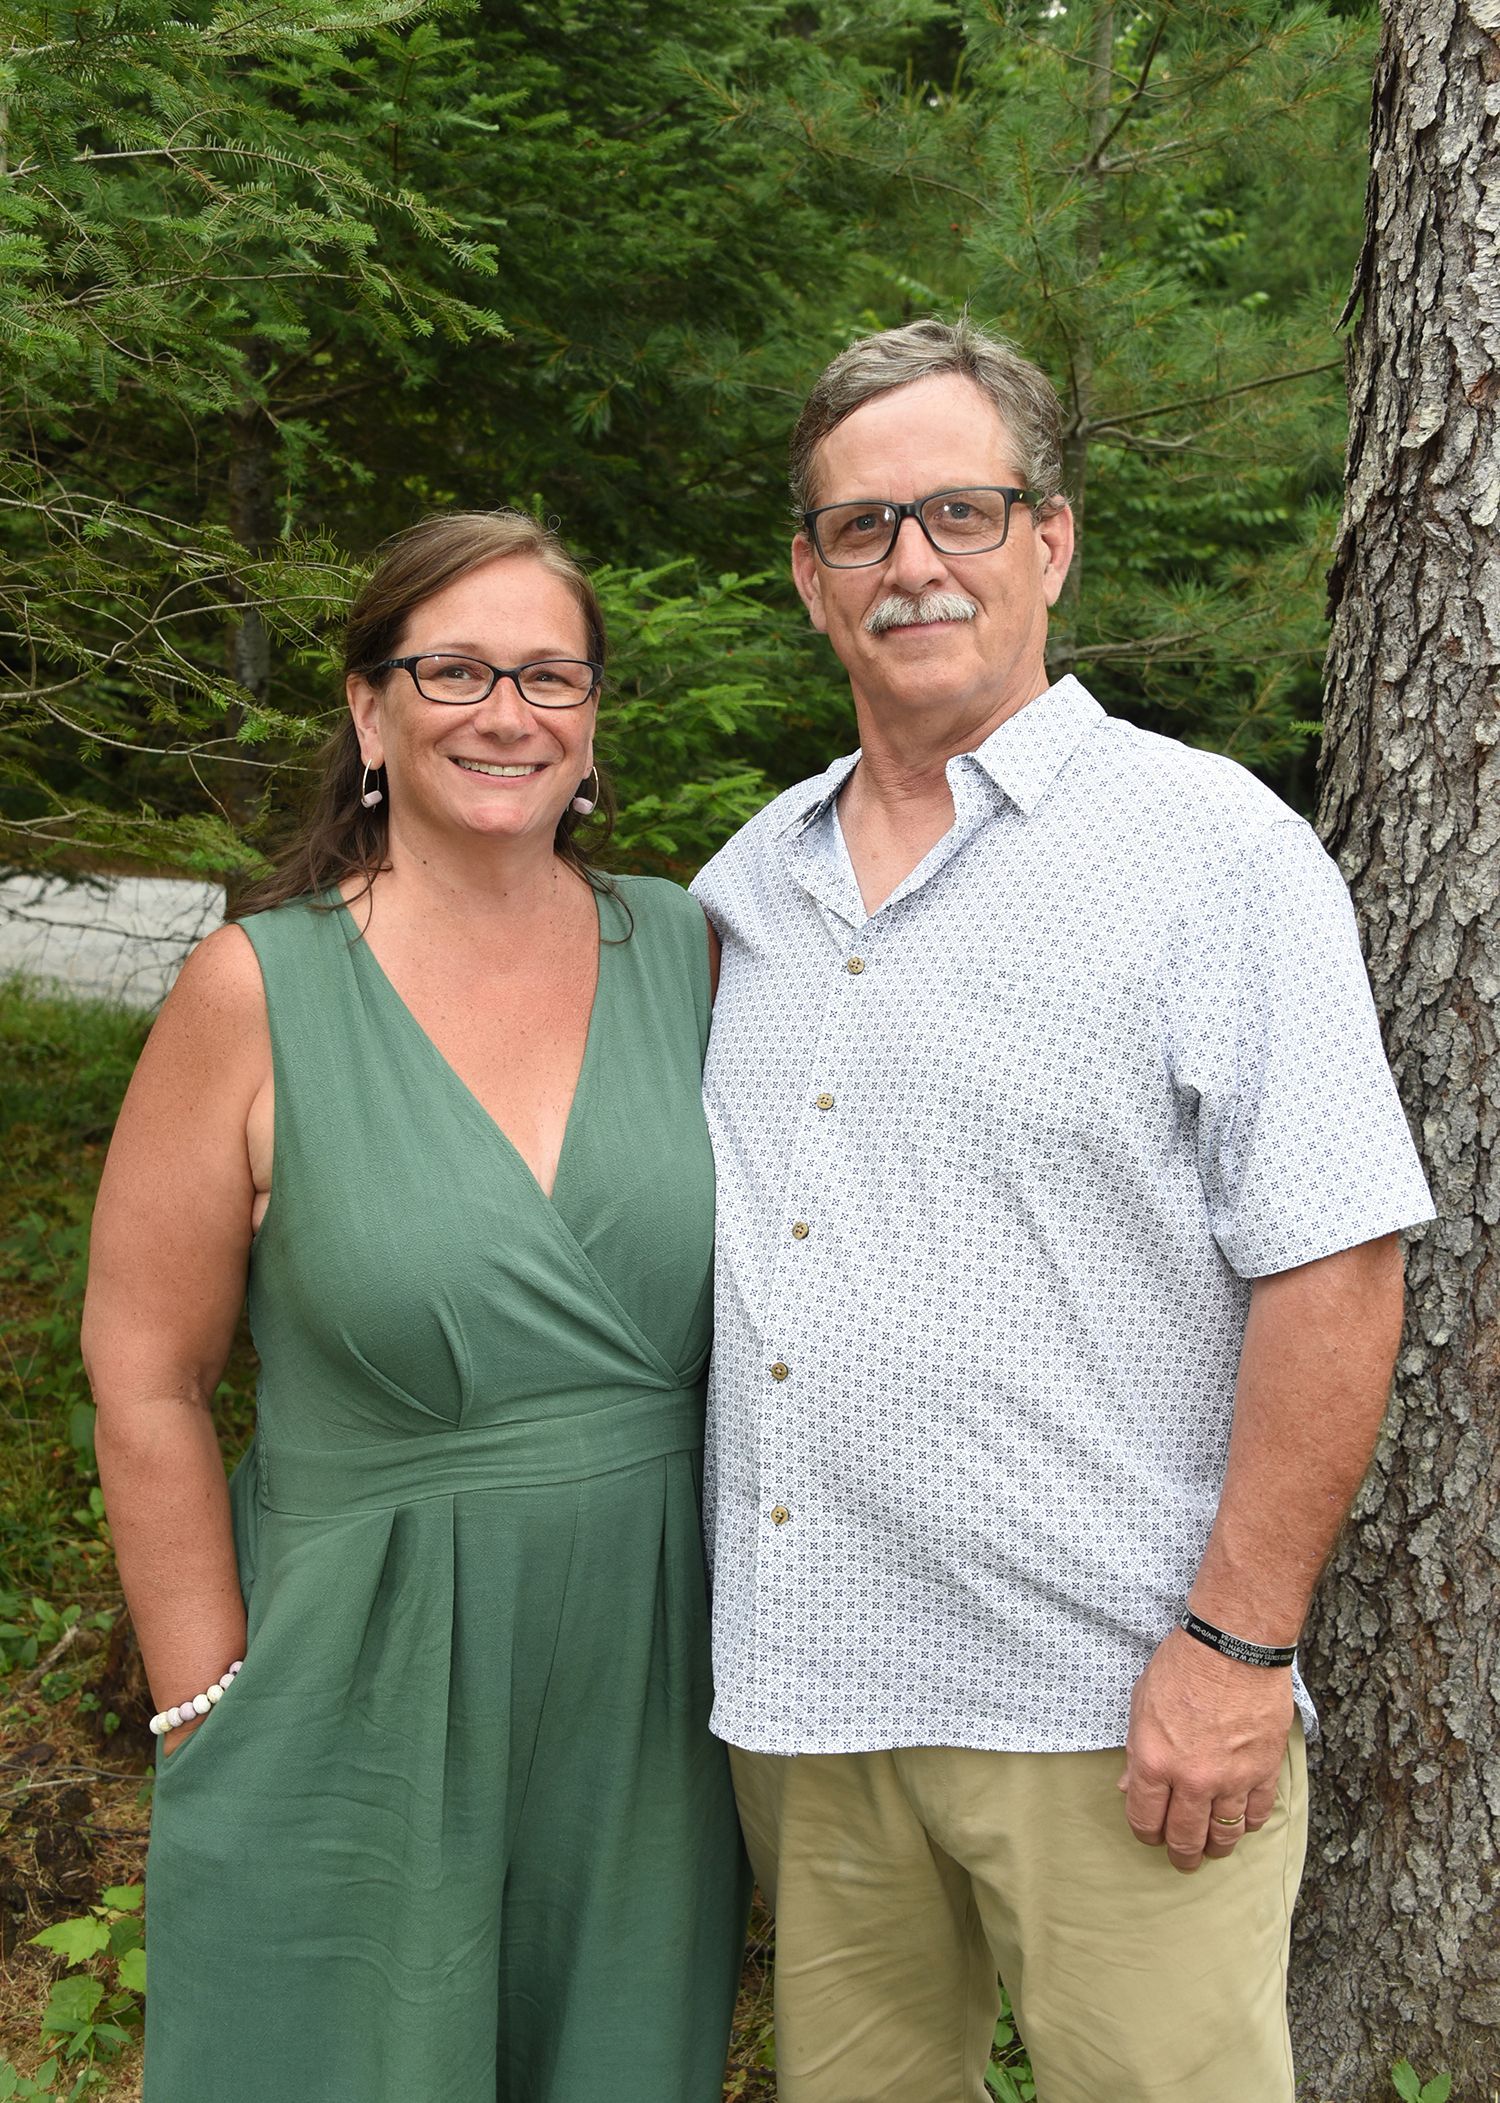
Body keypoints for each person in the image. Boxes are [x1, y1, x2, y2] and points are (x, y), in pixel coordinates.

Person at [690, 318, 1435, 2103]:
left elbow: (1337, 1265)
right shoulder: (748, 885)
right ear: (810, 577)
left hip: (1116, 1709)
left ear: (1051, 542)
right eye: (863, 529)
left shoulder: (1212, 854)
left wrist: (1241, 1646)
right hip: (808, 1702)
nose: (913, 563)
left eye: (961, 510)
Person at [82, 511, 749, 2103]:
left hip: (649, 1698)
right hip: (351, 1690)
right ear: (371, 715)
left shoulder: (693, 951)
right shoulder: (258, 989)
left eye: (547, 674)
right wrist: (200, 1701)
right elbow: (143, 1368)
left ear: (590, 724)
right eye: (451, 669)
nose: (504, 711)